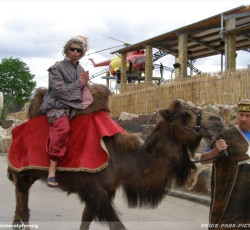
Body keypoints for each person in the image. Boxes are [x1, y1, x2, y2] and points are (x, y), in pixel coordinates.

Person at [40, 36, 93, 188]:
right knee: (63, 128)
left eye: (79, 50)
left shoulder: (81, 70)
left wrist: (86, 85)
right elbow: (59, 90)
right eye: (72, 49)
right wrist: (80, 83)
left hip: (75, 106)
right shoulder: (56, 68)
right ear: (66, 51)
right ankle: (52, 171)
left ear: (82, 53)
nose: (75, 52)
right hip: (57, 105)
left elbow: (83, 90)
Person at [201, 99, 250, 229]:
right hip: (230, 201)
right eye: (241, 115)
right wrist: (215, 151)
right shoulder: (227, 135)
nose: (243, 119)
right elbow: (204, 159)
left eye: (248, 115)